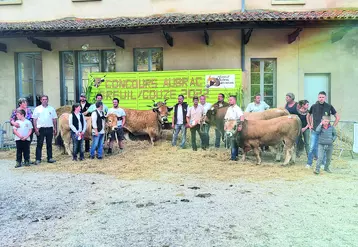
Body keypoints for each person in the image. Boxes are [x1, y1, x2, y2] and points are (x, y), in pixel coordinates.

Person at [306, 91, 340, 168]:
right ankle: (309, 163)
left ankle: (322, 164)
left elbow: (337, 117)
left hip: (324, 132)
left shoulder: (329, 106)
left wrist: (332, 127)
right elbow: (308, 115)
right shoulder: (314, 106)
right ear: (318, 97)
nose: (321, 99)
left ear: (325, 98)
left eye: (322, 97)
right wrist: (309, 125)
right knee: (312, 147)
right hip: (315, 130)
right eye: (320, 97)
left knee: (324, 148)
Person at [32, 95, 58, 165]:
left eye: (46, 99)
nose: (44, 100)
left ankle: (49, 158)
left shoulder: (51, 109)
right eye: (43, 99)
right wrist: (36, 129)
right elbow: (34, 119)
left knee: (49, 144)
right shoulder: (37, 109)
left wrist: (55, 128)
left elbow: (54, 119)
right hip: (41, 129)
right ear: (41, 100)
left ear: (48, 100)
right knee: (39, 144)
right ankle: (38, 159)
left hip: (49, 128)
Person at [10, 97, 34, 163]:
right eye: (24, 102)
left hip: (28, 131)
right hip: (19, 131)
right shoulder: (16, 111)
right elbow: (11, 119)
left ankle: (27, 159)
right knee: (19, 147)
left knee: (27, 146)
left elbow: (32, 119)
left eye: (26, 102)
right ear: (20, 103)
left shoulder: (28, 110)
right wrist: (14, 123)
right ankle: (19, 161)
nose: (26, 103)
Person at [224, 95, 244, 161]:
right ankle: (234, 156)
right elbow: (226, 118)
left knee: (233, 141)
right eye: (229, 100)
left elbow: (241, 117)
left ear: (234, 100)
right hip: (229, 125)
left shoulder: (237, 108)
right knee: (232, 141)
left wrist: (240, 125)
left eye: (231, 100)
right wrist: (225, 125)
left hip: (235, 125)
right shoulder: (229, 108)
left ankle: (233, 157)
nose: (229, 101)